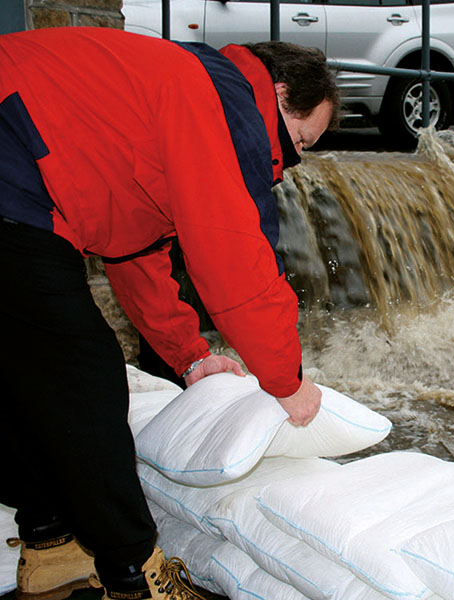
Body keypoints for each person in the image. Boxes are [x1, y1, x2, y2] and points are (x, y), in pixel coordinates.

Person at [0, 26, 340, 600]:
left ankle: (52, 543)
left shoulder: (176, 92)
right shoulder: (219, 105)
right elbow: (236, 256)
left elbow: (135, 252)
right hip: (15, 172)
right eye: (301, 142)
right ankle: (135, 576)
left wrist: (190, 357)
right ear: (279, 95)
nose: (289, 164)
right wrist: (288, 382)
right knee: (85, 381)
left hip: (25, 172)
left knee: (32, 372)